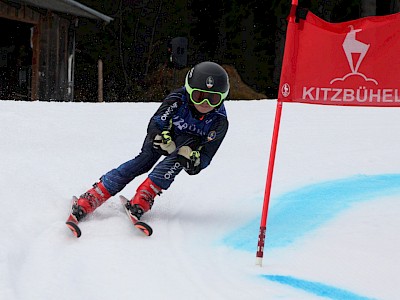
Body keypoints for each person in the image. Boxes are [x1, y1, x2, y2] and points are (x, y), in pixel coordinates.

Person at [70, 61, 230, 224]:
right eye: (199, 96)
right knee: (144, 160)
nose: (206, 103)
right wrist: (158, 136)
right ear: (189, 91)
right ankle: (94, 195)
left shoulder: (220, 123)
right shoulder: (178, 99)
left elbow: (207, 155)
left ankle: (144, 196)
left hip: (185, 146)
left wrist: (194, 163)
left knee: (181, 156)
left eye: (214, 99)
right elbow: (156, 122)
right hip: (165, 136)